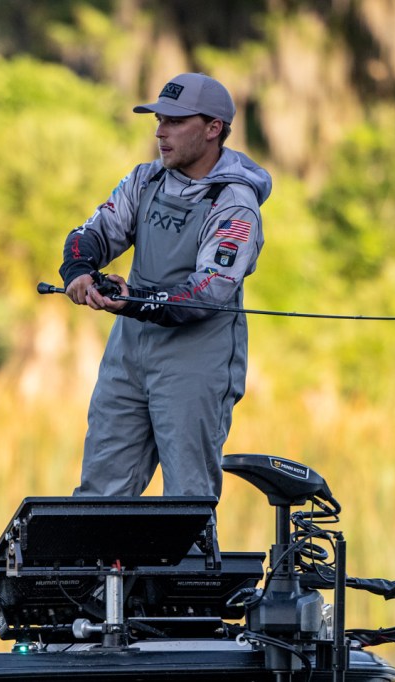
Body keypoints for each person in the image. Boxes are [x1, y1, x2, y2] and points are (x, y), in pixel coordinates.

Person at [58, 72, 272, 498]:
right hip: (128, 356)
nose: (160, 132)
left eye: (175, 121)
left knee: (187, 498)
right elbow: (95, 231)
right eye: (159, 120)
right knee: (99, 495)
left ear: (213, 129)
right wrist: (80, 269)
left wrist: (132, 300)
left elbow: (207, 292)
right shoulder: (145, 179)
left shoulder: (236, 204)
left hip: (197, 364)